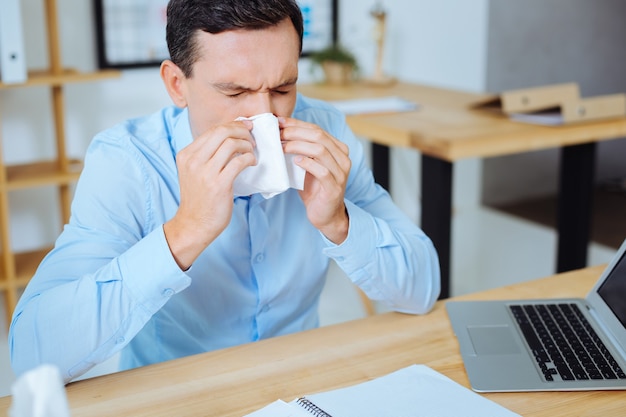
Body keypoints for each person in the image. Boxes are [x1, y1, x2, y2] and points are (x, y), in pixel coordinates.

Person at [9, 0, 440, 383]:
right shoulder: (126, 161)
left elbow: (423, 290)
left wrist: (338, 222)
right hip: (178, 392)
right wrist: (185, 232)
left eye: (283, 88)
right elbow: (31, 355)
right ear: (177, 84)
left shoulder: (325, 130)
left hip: (302, 379)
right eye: (235, 91)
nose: (264, 115)